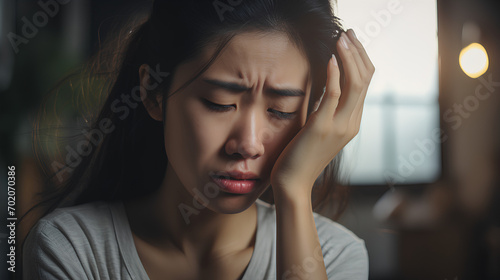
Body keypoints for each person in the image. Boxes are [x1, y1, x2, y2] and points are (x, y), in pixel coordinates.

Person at [22, 0, 374, 279]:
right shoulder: (72, 248)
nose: (248, 143)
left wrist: (295, 190)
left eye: (280, 110)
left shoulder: (335, 256)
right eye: (220, 104)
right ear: (153, 93)